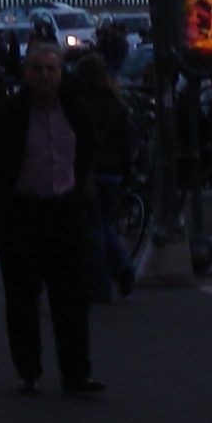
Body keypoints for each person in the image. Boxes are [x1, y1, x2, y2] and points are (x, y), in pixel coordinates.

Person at [0, 41, 103, 396]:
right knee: (22, 300)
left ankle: (76, 374)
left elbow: (90, 149)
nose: (45, 76)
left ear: (61, 74)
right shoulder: (5, 115)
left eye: (51, 69)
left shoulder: (76, 110)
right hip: (21, 213)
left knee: (73, 299)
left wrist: (79, 192)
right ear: (25, 74)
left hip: (65, 210)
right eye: (37, 69)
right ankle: (28, 370)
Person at [68, 53, 138, 301]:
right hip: (114, 171)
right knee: (104, 223)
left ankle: (105, 280)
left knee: (93, 228)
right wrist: (128, 170)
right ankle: (121, 268)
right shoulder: (116, 104)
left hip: (88, 171)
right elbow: (127, 141)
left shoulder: (78, 105)